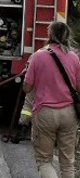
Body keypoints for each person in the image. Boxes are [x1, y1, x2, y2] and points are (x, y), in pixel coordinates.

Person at [24, 21, 80, 178]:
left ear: (49, 35)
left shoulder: (38, 56)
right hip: (69, 113)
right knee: (68, 162)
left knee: (44, 161)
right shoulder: (74, 58)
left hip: (45, 113)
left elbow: (27, 88)